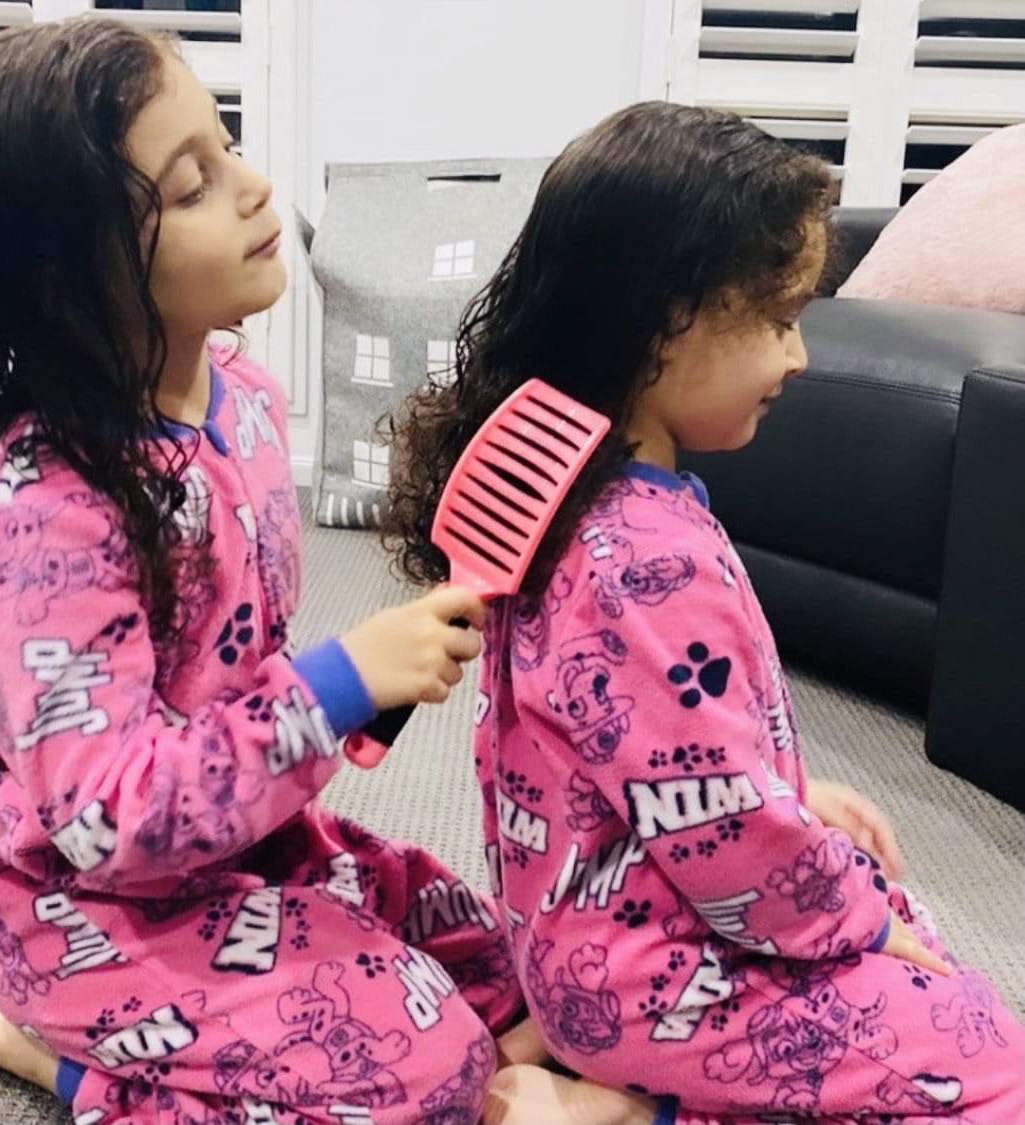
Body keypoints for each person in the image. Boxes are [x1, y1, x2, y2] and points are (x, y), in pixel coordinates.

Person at [0, 18, 535, 1123]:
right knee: (434, 1070)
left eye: (229, 146)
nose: (256, 189)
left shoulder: (245, 403)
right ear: (70, 273)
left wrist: (364, 686)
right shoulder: (42, 518)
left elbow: (233, 662)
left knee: (503, 963)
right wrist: (336, 686)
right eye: (193, 184)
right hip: (92, 911)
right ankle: (61, 1061)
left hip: (249, 844)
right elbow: (105, 818)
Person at [384, 101, 1025, 1124]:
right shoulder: (644, 563)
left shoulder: (586, 508)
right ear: (667, 322)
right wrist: (853, 921)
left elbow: (658, 755)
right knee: (988, 1063)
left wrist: (793, 794)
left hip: (590, 938)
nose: (799, 357)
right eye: (778, 320)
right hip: (651, 979)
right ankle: (621, 1106)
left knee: (891, 910)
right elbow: (726, 832)